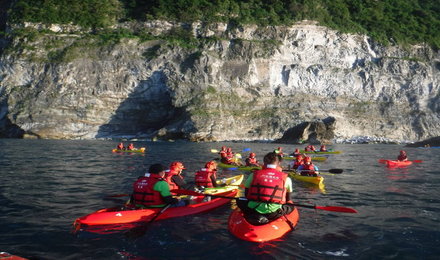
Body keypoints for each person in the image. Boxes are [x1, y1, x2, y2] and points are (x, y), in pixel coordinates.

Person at [236, 152, 295, 225]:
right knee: (291, 205)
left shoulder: (253, 174)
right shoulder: (286, 178)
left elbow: (247, 194)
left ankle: (254, 216)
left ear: (264, 163)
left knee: (239, 199)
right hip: (274, 213)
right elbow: (288, 199)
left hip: (253, 210)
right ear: (278, 163)